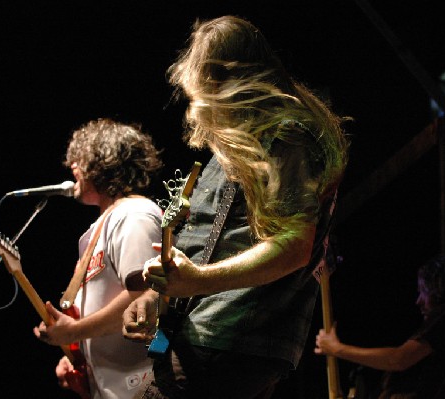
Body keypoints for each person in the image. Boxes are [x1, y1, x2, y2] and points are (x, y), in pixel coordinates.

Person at [122, 15, 350, 399]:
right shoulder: (233, 148)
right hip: (201, 338)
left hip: (227, 341)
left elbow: (295, 246)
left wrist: (199, 281)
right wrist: (153, 298)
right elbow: (201, 248)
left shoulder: (288, 135)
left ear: (216, 81)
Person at [33, 118, 164, 399]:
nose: (72, 167)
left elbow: (144, 296)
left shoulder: (134, 215)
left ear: (102, 161)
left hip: (144, 384)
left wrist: (74, 331)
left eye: (79, 159)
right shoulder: (100, 228)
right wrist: (84, 368)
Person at [315, 255, 445, 398]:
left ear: (439, 289)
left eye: (423, 291)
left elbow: (398, 360)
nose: (419, 301)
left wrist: (336, 349)